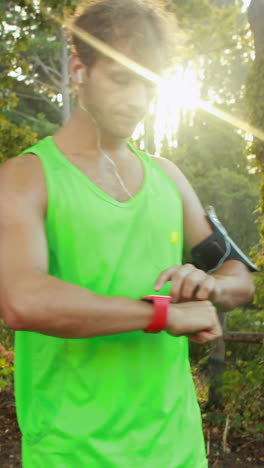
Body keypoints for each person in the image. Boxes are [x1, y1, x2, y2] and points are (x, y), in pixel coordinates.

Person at [0, 1, 255, 467]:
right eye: (121, 78)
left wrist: (211, 286)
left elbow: (240, 277)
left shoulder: (168, 177)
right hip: (72, 454)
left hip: (177, 450)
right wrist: (160, 314)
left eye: (149, 83)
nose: (137, 99)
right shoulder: (25, 178)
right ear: (80, 70)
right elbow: (22, 300)